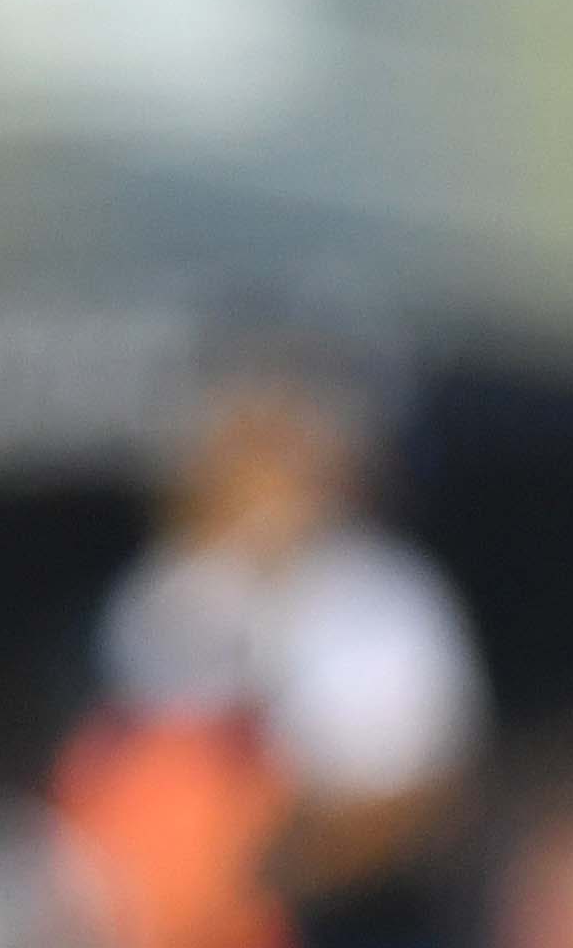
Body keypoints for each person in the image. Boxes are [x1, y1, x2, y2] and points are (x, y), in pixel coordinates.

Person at [83, 369, 487, 948]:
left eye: (282, 455)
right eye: (245, 454)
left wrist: (286, 852)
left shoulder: (387, 594)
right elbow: (133, 773)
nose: (266, 481)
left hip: (370, 912)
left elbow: (434, 793)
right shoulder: (161, 600)